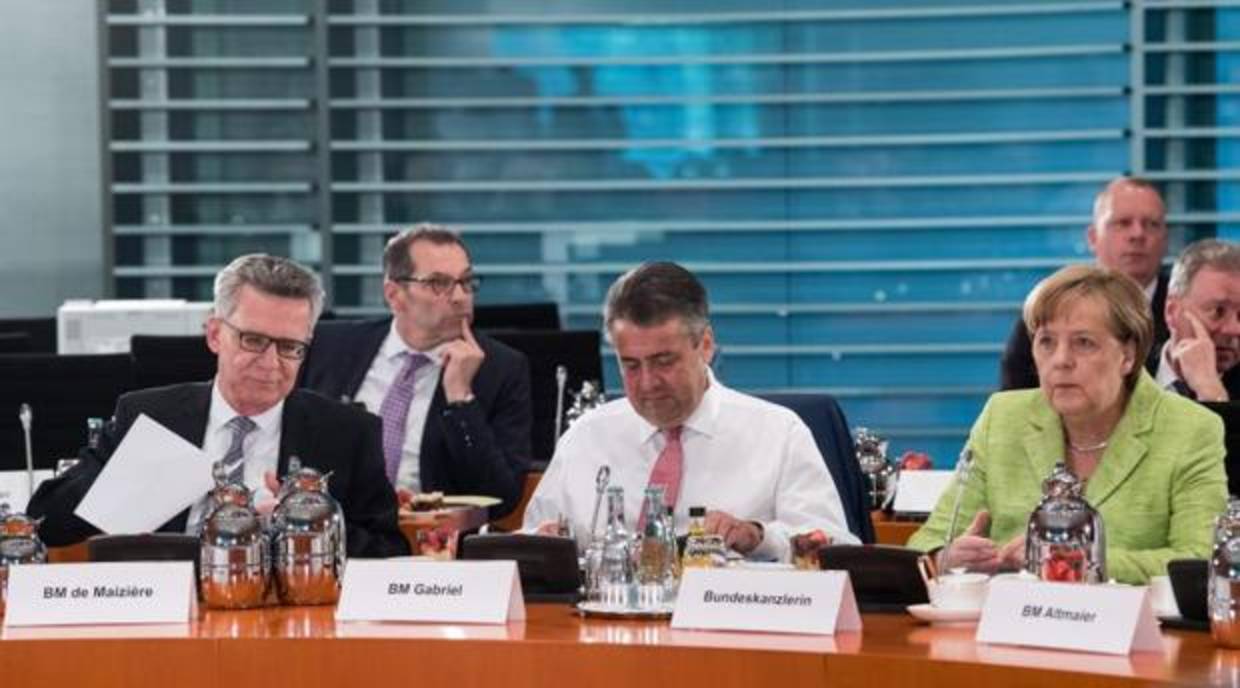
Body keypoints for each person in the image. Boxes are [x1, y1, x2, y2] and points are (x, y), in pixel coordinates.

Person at [29, 254, 408, 558]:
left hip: (292, 624)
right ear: (214, 335)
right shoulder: (149, 416)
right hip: (163, 622)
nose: (271, 362)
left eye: (290, 347)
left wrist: (301, 523)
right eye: (253, 340)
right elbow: (48, 522)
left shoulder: (347, 433)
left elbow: (389, 553)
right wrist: (130, 485)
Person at [909, 264, 1227, 584]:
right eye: (1047, 342)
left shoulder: (1190, 429)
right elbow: (926, 543)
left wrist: (1078, 560)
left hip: (1129, 629)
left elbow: (1199, 560)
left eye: (1084, 342)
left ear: (1128, 355)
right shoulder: (1003, 418)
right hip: (1010, 624)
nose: (1061, 360)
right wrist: (947, 558)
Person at [523, 261, 857, 562]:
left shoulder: (779, 433)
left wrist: (759, 537)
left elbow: (834, 549)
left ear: (706, 345)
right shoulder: (587, 435)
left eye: (663, 361)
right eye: (631, 366)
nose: (648, 383)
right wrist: (543, 544)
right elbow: (529, 545)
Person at [299, 224, 532, 517]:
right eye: (439, 283)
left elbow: (501, 499)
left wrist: (461, 400)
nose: (460, 296)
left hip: (433, 546)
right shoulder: (328, 346)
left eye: (466, 281)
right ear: (394, 294)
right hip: (338, 534)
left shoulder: (500, 369)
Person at [1000, 177, 1171, 390]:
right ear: (1092, 238)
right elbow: (1016, 400)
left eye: (1151, 225)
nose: (1137, 234)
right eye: (1123, 223)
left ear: (1165, 239)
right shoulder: (1050, 306)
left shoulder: (1187, 309)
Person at [1156, 238, 1240, 402]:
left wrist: (1210, 390)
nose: (1234, 329)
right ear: (1172, 312)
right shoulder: (1125, 375)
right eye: (1218, 311)